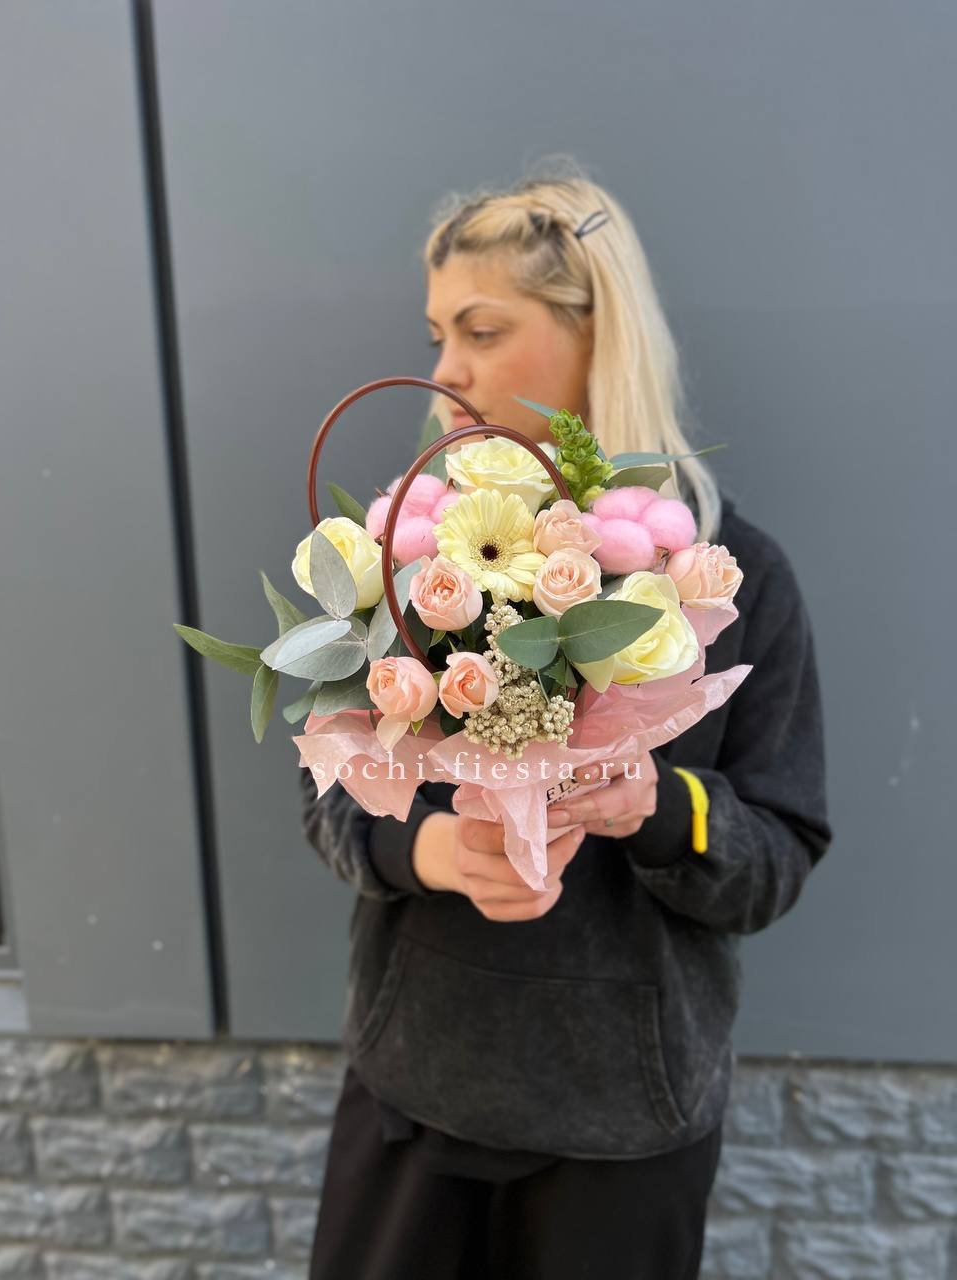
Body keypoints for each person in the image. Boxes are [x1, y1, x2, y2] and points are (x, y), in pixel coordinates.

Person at [303, 158, 832, 1280]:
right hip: (414, 1090)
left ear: (598, 334)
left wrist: (656, 805)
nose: (445, 369)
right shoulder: (413, 552)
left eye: (482, 330)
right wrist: (434, 851)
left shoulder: (732, 578)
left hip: (624, 1124)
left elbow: (778, 855)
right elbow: (324, 790)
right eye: (439, 332)